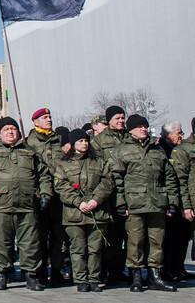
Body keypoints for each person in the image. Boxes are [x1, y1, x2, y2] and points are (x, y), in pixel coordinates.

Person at [0, 116, 51, 292]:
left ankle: (31, 275)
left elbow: (44, 175)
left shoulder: (30, 152)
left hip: (27, 205)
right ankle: (2, 274)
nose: (10, 132)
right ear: (0, 133)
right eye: (6, 129)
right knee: (1, 243)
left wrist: (45, 193)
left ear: (18, 132)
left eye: (13, 129)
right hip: (0, 206)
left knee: (30, 242)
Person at [110, 113, 180, 292]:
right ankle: (136, 277)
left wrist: (172, 202)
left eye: (145, 126)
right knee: (135, 241)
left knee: (157, 241)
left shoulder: (157, 150)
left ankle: (155, 277)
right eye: (140, 126)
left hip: (157, 203)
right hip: (134, 204)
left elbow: (169, 177)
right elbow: (116, 179)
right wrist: (120, 204)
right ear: (131, 130)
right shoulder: (121, 150)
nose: (144, 129)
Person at [54, 128, 113, 292]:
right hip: (74, 213)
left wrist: (95, 200)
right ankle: (80, 280)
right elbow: (61, 186)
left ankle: (94, 279)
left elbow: (107, 182)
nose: (84, 144)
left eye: (86, 140)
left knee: (95, 249)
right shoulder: (63, 164)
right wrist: (78, 202)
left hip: (97, 212)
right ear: (72, 144)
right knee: (78, 248)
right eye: (80, 141)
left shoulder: (99, 162)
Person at [25, 107, 69, 286]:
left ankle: (57, 270)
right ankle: (40, 271)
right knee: (40, 236)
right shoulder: (29, 142)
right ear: (35, 122)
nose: (49, 119)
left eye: (50, 116)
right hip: (40, 196)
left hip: (59, 196)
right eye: (44, 117)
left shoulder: (59, 141)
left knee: (59, 236)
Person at [91, 105, 128, 282]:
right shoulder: (99, 141)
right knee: (110, 236)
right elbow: (97, 168)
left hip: (131, 193)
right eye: (117, 118)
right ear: (109, 120)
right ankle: (105, 270)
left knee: (126, 235)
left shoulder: (130, 136)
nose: (121, 121)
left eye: (122, 118)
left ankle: (118, 270)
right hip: (110, 195)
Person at [160, 122, 191, 282]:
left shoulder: (180, 149)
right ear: (168, 135)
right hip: (169, 199)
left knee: (183, 236)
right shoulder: (161, 149)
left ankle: (179, 267)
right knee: (170, 238)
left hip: (181, 198)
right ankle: (168, 269)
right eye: (178, 132)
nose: (181, 135)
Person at [169, 117, 195, 282]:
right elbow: (181, 180)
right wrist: (186, 206)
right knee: (181, 238)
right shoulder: (183, 150)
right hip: (190, 202)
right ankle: (175, 268)